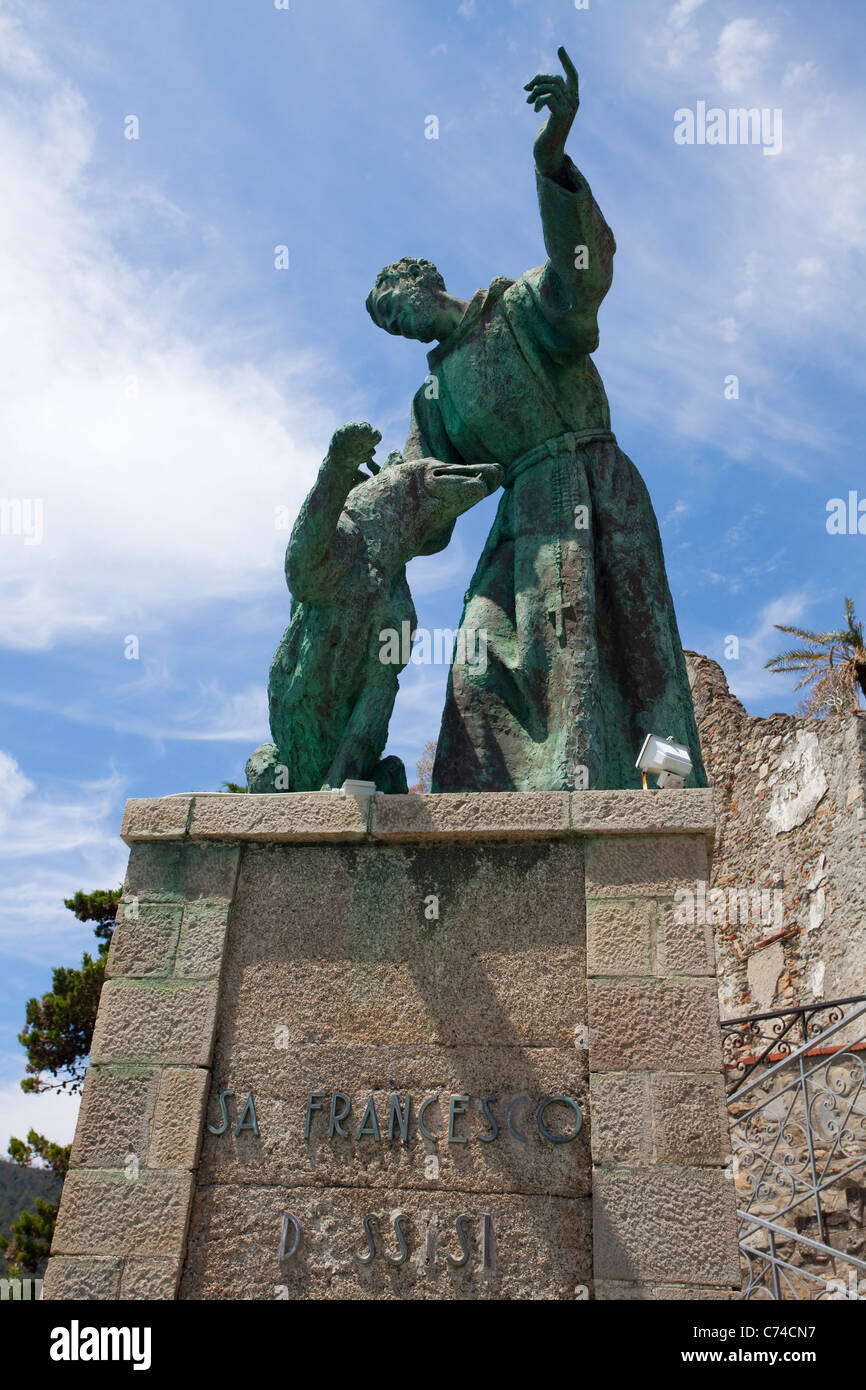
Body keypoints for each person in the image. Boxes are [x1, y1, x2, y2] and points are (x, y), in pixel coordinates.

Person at [366, 48, 705, 792]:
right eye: (391, 327)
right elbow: (431, 510)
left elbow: (579, 279)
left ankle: (667, 794)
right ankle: (488, 819)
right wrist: (388, 490)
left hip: (591, 484)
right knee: (478, 660)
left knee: (628, 652)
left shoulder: (516, 310)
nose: (401, 328)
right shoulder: (434, 401)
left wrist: (551, 158)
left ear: (425, 282)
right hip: (522, 518)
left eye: (399, 309)